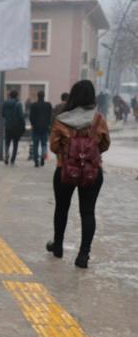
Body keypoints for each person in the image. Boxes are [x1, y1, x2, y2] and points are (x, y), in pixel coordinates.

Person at [47, 80, 110, 269]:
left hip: (65, 170)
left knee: (61, 208)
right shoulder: (98, 119)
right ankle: (83, 255)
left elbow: (53, 146)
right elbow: (105, 144)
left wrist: (68, 152)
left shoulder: (61, 119)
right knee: (88, 212)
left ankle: (58, 246)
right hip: (92, 172)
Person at [29, 90, 52, 167]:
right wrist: (48, 124)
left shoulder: (33, 105)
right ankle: (42, 157)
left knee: (35, 145)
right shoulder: (48, 105)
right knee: (44, 144)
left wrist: (33, 124)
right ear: (44, 96)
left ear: (37, 96)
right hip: (45, 127)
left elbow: (31, 117)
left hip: (35, 128)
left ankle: (36, 161)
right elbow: (50, 116)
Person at [2, 90, 25, 165]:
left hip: (8, 126)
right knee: (15, 143)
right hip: (16, 127)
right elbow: (21, 116)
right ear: (17, 96)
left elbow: (3, 114)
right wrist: (23, 125)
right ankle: (12, 160)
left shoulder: (5, 103)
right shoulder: (18, 104)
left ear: (10, 95)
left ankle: (6, 154)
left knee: (7, 142)